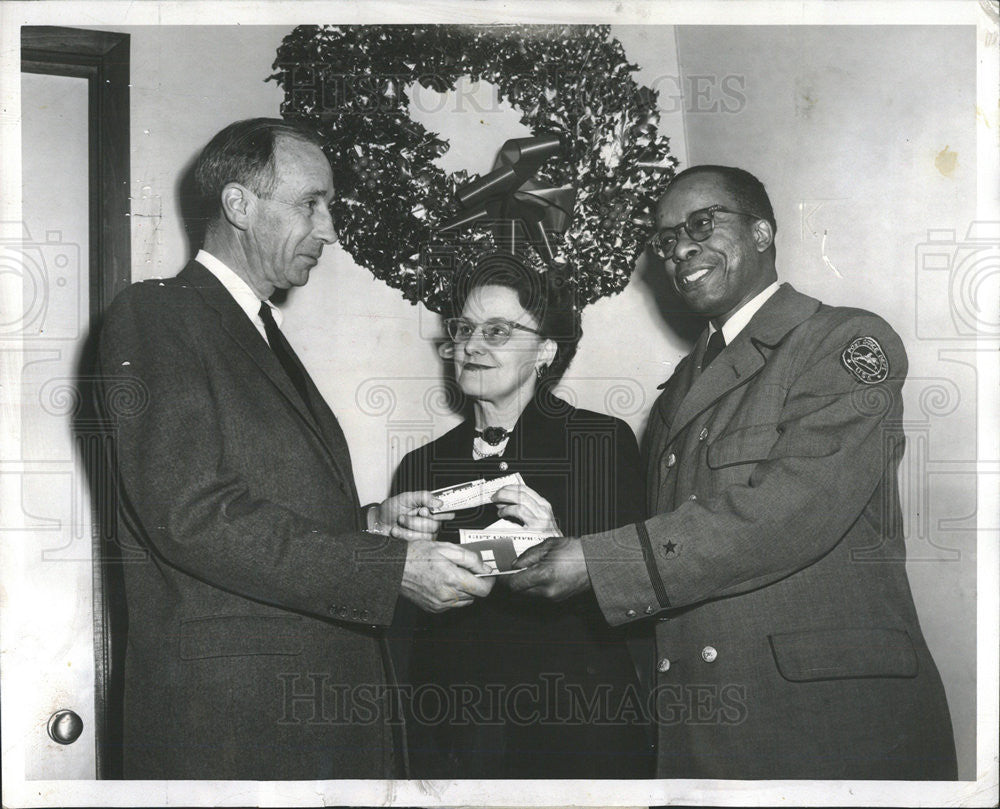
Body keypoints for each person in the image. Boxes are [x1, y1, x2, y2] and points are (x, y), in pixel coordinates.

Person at [509, 165, 958, 780]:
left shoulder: (843, 341)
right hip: (707, 719)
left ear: (763, 232)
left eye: (702, 224)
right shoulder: (679, 389)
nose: (681, 249)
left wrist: (599, 562)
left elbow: (792, 512)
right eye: (666, 240)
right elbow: (677, 534)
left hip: (824, 718)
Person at [95, 118, 494, 780]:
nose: (331, 228)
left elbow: (259, 501)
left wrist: (368, 522)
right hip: (239, 730)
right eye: (312, 202)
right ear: (239, 204)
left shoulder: (258, 333)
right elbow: (191, 512)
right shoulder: (158, 314)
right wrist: (385, 568)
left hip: (307, 723)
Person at [390, 252, 654, 779]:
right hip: (453, 733)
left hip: (578, 727)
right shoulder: (420, 465)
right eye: (465, 328)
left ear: (546, 350)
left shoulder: (600, 442)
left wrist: (561, 543)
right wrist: (396, 557)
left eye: (497, 331)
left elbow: (637, 591)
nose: (471, 346)